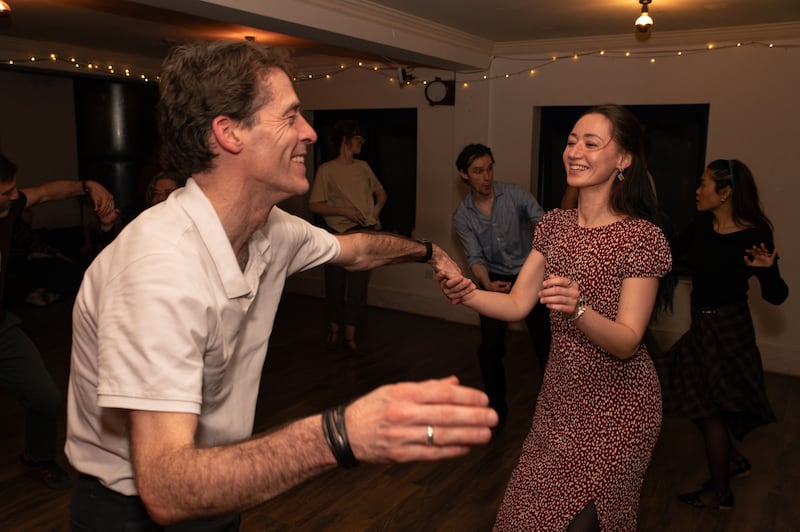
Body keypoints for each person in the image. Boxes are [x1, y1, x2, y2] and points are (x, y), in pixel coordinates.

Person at [65, 40, 496, 530]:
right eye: (290, 116)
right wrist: (342, 433)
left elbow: (355, 250)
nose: (309, 133)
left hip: (220, 486)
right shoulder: (159, 268)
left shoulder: (272, 229)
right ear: (229, 134)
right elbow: (166, 487)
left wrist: (426, 251)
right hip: (132, 514)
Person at [441, 104, 673, 530]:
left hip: (620, 409)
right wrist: (468, 292)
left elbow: (627, 341)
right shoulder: (555, 225)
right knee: (523, 518)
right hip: (560, 403)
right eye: (570, 141)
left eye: (591, 143)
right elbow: (516, 304)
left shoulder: (642, 237)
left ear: (623, 160)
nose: (574, 151)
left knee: (584, 522)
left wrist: (578, 309)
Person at [655, 159, 788, 510]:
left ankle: (720, 492)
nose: (696, 191)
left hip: (730, 330)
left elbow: (777, 295)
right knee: (685, 391)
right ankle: (732, 460)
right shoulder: (701, 225)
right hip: (701, 327)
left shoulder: (754, 234)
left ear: (725, 192)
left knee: (712, 410)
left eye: (704, 185)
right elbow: (666, 257)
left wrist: (769, 270)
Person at [0, 152, 115, 490]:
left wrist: (86, 185)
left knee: (46, 397)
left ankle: (37, 456)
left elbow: (49, 192)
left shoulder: (8, 209)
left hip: (2, 328)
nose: (14, 196)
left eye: (13, 189)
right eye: (5, 191)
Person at [452, 143, 550, 431]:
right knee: (490, 349)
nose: (486, 176)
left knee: (546, 346)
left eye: (489, 168)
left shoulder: (516, 194)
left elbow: (546, 227)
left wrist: (536, 270)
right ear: (464, 175)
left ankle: (554, 415)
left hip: (529, 275)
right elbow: (475, 257)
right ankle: (497, 409)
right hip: (493, 279)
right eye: (478, 171)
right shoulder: (463, 216)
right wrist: (487, 285)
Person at [309, 120, 387, 355]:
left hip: (363, 234)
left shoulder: (363, 167)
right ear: (345, 140)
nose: (361, 142)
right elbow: (315, 204)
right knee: (334, 286)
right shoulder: (327, 170)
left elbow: (381, 194)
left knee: (358, 288)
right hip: (337, 236)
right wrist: (344, 212)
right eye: (357, 138)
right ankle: (334, 331)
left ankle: (351, 338)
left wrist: (373, 213)